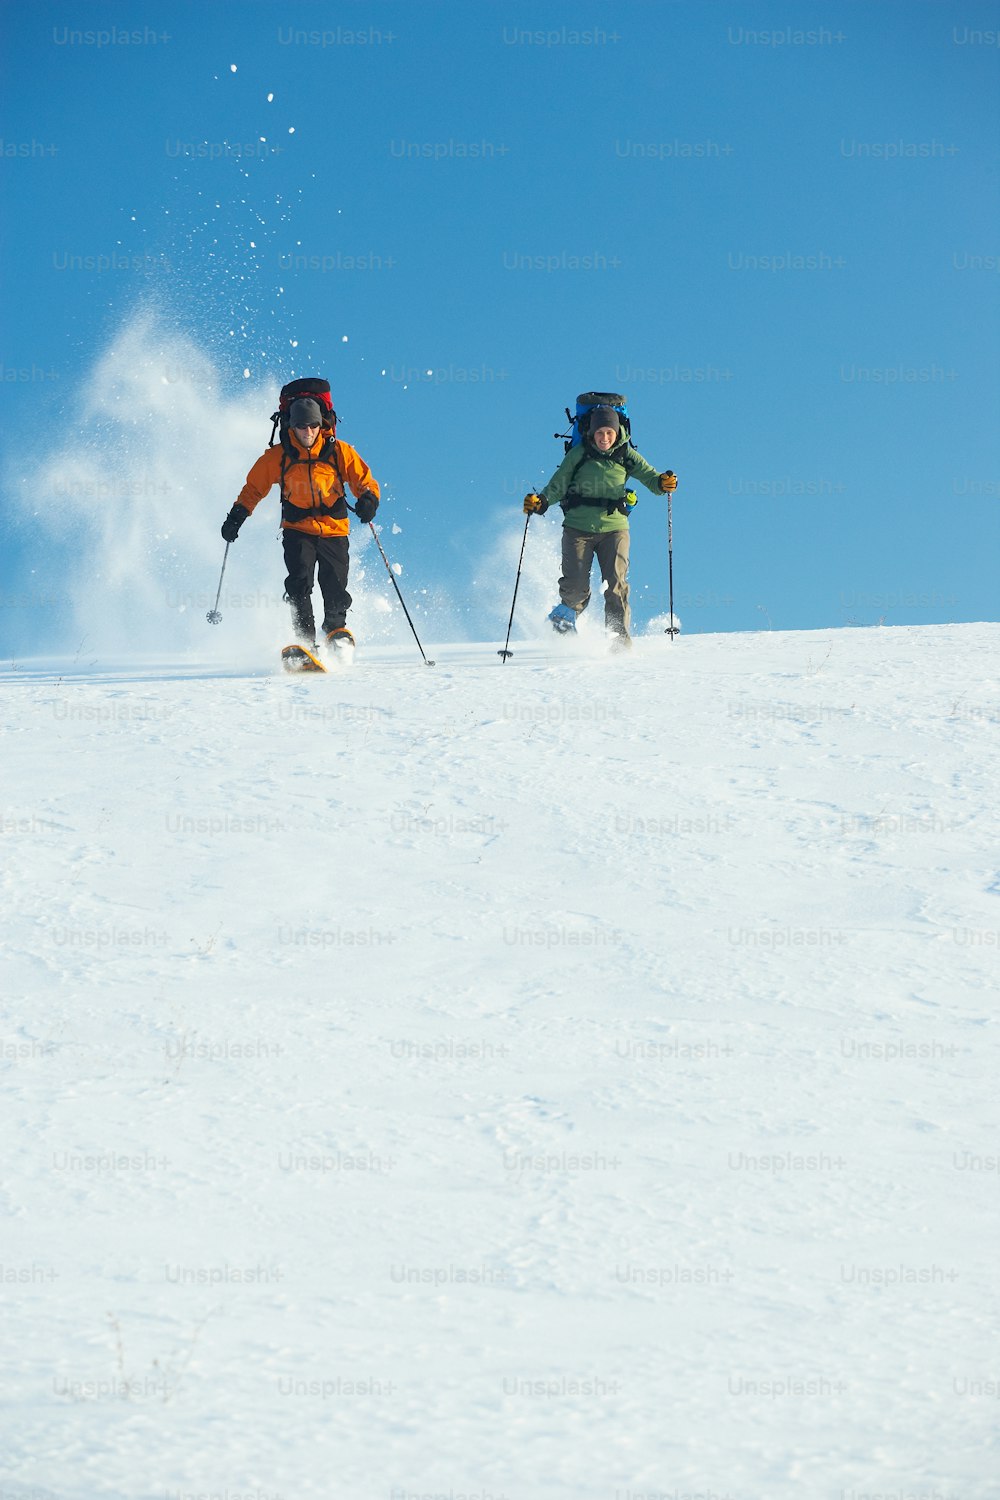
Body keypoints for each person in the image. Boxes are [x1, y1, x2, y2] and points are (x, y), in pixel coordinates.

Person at [220, 396, 380, 654]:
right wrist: (237, 516)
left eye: (314, 426)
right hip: (297, 529)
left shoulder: (339, 451)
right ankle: (305, 642)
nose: (308, 432)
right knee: (299, 582)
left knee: (335, 585)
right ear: (292, 426)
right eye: (302, 426)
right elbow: (254, 489)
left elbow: (364, 480)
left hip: (333, 528)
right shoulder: (279, 456)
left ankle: (335, 631)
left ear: (321, 424)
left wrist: (369, 500)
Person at [524, 404, 677, 648]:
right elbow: (558, 483)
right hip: (577, 528)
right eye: (599, 433)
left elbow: (649, 476)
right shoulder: (579, 453)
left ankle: (619, 644)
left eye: (609, 433)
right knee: (575, 589)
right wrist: (541, 502)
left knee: (616, 585)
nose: (604, 438)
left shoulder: (626, 454)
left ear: (618, 433)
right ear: (591, 433)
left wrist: (663, 483)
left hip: (615, 529)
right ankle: (562, 628)